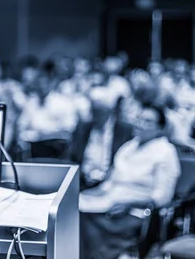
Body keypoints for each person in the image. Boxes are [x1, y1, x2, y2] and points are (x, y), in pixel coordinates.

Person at [79, 105, 181, 259]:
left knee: (83, 218)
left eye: (147, 121)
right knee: (74, 208)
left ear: (160, 128)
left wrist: (128, 203)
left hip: (136, 211)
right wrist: (84, 194)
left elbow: (162, 198)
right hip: (109, 202)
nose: (139, 123)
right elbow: (108, 184)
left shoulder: (166, 152)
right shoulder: (129, 146)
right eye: (139, 118)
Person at [71, 87, 133, 190]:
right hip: (82, 181)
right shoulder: (83, 127)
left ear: (109, 111)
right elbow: (72, 156)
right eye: (93, 110)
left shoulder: (124, 130)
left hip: (111, 183)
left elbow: (127, 161)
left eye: (99, 111)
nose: (94, 115)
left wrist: (108, 176)